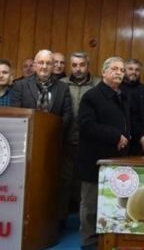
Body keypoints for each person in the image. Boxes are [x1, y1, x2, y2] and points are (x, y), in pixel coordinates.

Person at [76, 57, 130, 250]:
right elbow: (87, 126)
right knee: (90, 205)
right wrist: (116, 136)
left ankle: (108, 239)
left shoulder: (122, 96)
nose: (119, 72)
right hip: (93, 159)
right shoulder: (92, 96)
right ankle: (89, 241)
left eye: (122, 70)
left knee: (113, 203)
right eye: (114, 69)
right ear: (104, 72)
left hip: (116, 160)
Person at [59, 51, 100, 226]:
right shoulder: (61, 84)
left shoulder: (98, 84)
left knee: (87, 184)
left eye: (82, 65)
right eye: (74, 65)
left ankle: (85, 224)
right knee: (64, 181)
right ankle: (60, 221)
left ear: (88, 65)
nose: (78, 69)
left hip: (89, 143)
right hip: (66, 140)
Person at [12, 49, 72, 127]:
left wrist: (55, 130)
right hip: (26, 131)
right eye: (41, 63)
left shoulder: (63, 88)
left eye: (48, 63)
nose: (44, 66)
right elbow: (16, 113)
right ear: (35, 65)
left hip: (54, 132)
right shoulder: (20, 85)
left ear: (53, 66)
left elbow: (67, 115)